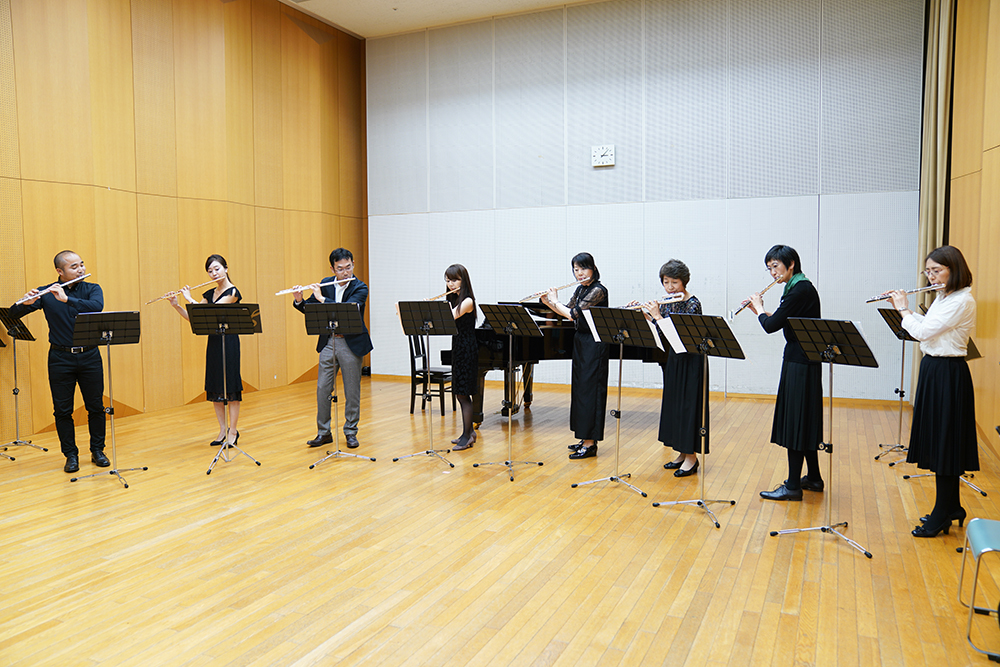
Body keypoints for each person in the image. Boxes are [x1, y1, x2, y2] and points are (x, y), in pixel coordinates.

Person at [888, 245, 977, 538]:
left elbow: (924, 332)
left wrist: (903, 309)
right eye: (928, 272)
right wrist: (909, 313)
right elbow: (928, 326)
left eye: (936, 271)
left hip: (948, 373)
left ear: (954, 269)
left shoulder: (962, 300)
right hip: (934, 369)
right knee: (941, 440)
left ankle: (942, 513)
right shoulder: (944, 297)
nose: (931, 277)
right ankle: (952, 507)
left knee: (945, 443)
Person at [10, 251, 107, 473]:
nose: (81, 269)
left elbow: (96, 307)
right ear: (59, 271)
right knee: (62, 410)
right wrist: (26, 303)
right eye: (74, 267)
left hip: (90, 356)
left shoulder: (92, 289)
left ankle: (97, 450)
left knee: (95, 406)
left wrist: (67, 299)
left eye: (81, 264)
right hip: (60, 358)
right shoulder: (47, 292)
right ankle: (70, 455)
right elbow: (13, 314)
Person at [748, 245, 823, 501]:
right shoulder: (798, 287)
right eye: (769, 268)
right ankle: (813, 477)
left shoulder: (799, 289)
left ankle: (792, 486)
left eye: (776, 266)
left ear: (791, 264)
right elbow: (784, 320)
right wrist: (762, 313)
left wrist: (759, 309)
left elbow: (770, 326)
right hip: (803, 360)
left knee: (796, 422)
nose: (772, 272)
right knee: (804, 420)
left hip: (800, 363)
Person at [293, 248, 373, 449]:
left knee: (352, 390)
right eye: (340, 269)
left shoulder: (360, 287)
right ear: (332, 269)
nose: (345, 272)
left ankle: (351, 431)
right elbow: (310, 309)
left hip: (351, 343)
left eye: (348, 267)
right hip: (329, 341)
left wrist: (321, 299)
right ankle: (324, 432)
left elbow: (348, 310)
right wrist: (299, 299)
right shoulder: (326, 283)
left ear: (353, 264)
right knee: (323, 388)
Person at [541, 252, 609, 460]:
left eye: (583, 268)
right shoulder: (581, 289)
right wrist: (548, 302)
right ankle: (584, 437)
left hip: (595, 344)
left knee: (591, 392)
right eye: (576, 269)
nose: (579, 273)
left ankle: (590, 443)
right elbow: (566, 311)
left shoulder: (598, 291)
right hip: (581, 341)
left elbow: (572, 314)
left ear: (593, 268)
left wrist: (554, 300)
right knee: (580, 391)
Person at [170, 254, 243, 448]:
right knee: (215, 386)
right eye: (210, 271)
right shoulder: (209, 293)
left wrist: (189, 298)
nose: (214, 273)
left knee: (231, 388)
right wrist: (177, 305)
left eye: (217, 269)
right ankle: (222, 429)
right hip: (214, 342)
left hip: (229, 343)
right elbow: (195, 318)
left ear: (226, 269)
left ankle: (233, 431)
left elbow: (211, 313)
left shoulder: (233, 292)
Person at [641, 259, 704, 477]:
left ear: (684, 282)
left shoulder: (693, 304)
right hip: (673, 359)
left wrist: (658, 316)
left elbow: (683, 337)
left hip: (691, 361)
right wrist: (648, 317)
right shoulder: (668, 302)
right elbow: (662, 333)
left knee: (688, 408)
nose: (669, 287)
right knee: (674, 407)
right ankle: (682, 453)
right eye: (666, 282)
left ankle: (692, 458)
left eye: (674, 283)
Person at [444, 264, 477, 451]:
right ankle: (469, 432)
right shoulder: (454, 299)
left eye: (455, 280)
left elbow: (449, 317)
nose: (451, 284)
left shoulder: (468, 301)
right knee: (459, 392)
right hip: (458, 347)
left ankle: (467, 436)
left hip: (466, 349)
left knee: (463, 394)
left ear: (463, 281)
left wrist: (430, 310)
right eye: (448, 280)